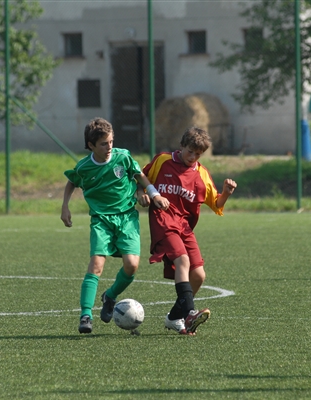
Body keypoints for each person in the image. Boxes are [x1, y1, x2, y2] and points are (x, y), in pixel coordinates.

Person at [61, 117, 169, 334]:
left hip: (127, 218)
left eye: (111, 141)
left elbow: (139, 176)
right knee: (96, 264)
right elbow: (72, 181)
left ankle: (109, 296)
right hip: (101, 220)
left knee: (132, 265)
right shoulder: (84, 167)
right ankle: (86, 315)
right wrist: (65, 206)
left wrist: (152, 194)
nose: (109, 146)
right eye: (103, 144)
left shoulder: (123, 157)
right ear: (91, 145)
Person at [138, 127, 237, 335]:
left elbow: (216, 203)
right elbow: (140, 177)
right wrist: (141, 193)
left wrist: (226, 193)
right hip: (163, 220)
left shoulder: (201, 173)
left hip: (184, 226)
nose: (192, 157)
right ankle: (190, 313)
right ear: (181, 146)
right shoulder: (163, 160)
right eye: (190, 151)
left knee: (199, 275)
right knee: (182, 261)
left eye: (198, 154)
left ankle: (175, 317)